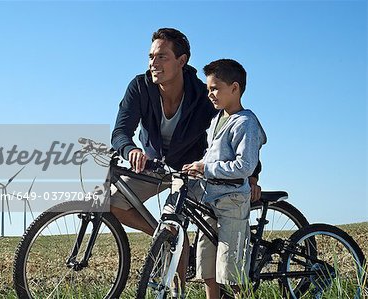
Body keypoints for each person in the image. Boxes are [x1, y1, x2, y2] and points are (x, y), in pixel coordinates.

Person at [110, 28, 262, 237]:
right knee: (112, 202)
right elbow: (120, 132)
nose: (153, 63)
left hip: (190, 169)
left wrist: (252, 176)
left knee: (174, 223)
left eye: (162, 57)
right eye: (151, 56)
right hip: (153, 165)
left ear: (181, 61)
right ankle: (165, 239)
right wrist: (131, 150)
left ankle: (174, 243)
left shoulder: (202, 95)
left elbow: (237, 130)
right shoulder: (139, 87)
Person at [183, 59, 267, 299]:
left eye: (215, 88)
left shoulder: (246, 123)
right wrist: (196, 168)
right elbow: (212, 155)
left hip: (231, 201)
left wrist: (206, 168)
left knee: (232, 270)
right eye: (208, 89)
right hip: (208, 201)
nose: (210, 94)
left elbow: (245, 166)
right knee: (206, 266)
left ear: (235, 88)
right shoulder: (217, 120)